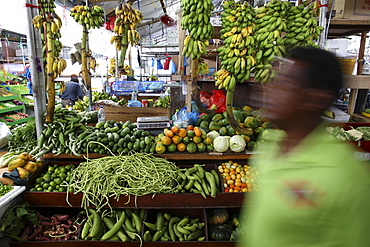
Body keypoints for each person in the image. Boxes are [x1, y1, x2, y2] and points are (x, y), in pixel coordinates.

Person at [238, 47, 370, 247]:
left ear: (315, 98)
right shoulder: (271, 146)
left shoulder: (346, 178)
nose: (270, 88)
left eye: (286, 83)